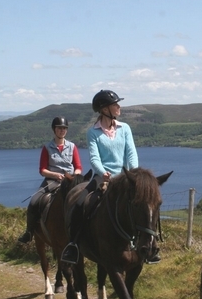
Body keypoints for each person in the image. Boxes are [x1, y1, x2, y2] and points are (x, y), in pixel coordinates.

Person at [60, 89, 160, 264]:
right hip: (103, 177)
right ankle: (73, 246)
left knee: (147, 204)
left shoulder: (125, 128)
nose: (118, 107)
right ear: (104, 109)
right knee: (80, 203)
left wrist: (134, 175)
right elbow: (94, 157)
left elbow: (131, 154)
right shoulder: (93, 132)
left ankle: (151, 246)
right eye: (115, 104)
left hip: (126, 178)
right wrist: (101, 172)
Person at [18, 116, 83, 243]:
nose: (62, 131)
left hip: (70, 181)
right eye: (59, 128)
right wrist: (55, 175)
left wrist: (74, 176)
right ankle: (29, 232)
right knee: (34, 201)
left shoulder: (72, 146)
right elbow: (42, 170)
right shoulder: (47, 147)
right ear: (54, 130)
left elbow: (79, 167)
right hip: (52, 181)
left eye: (64, 128)